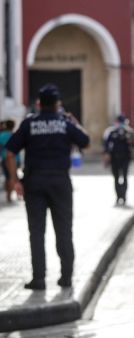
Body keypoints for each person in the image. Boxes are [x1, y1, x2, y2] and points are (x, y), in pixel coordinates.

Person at [4, 84, 90, 290]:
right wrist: (74, 122)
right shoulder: (65, 124)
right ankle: (66, 277)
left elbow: (8, 154)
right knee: (64, 231)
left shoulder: (28, 124)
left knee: (36, 232)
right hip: (60, 182)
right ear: (58, 104)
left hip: (34, 182)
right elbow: (86, 143)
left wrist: (15, 180)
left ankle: (39, 279)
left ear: (39, 104)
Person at [103, 114, 134, 205]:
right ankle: (118, 196)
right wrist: (106, 154)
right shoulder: (112, 132)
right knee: (116, 178)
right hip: (114, 158)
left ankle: (124, 196)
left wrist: (131, 141)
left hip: (125, 158)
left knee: (124, 177)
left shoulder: (129, 132)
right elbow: (106, 145)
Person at [1, 120, 21, 202]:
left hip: (5, 158)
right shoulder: (16, 135)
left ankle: (9, 195)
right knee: (14, 176)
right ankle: (17, 193)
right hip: (17, 158)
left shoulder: (2, 135)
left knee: (8, 177)